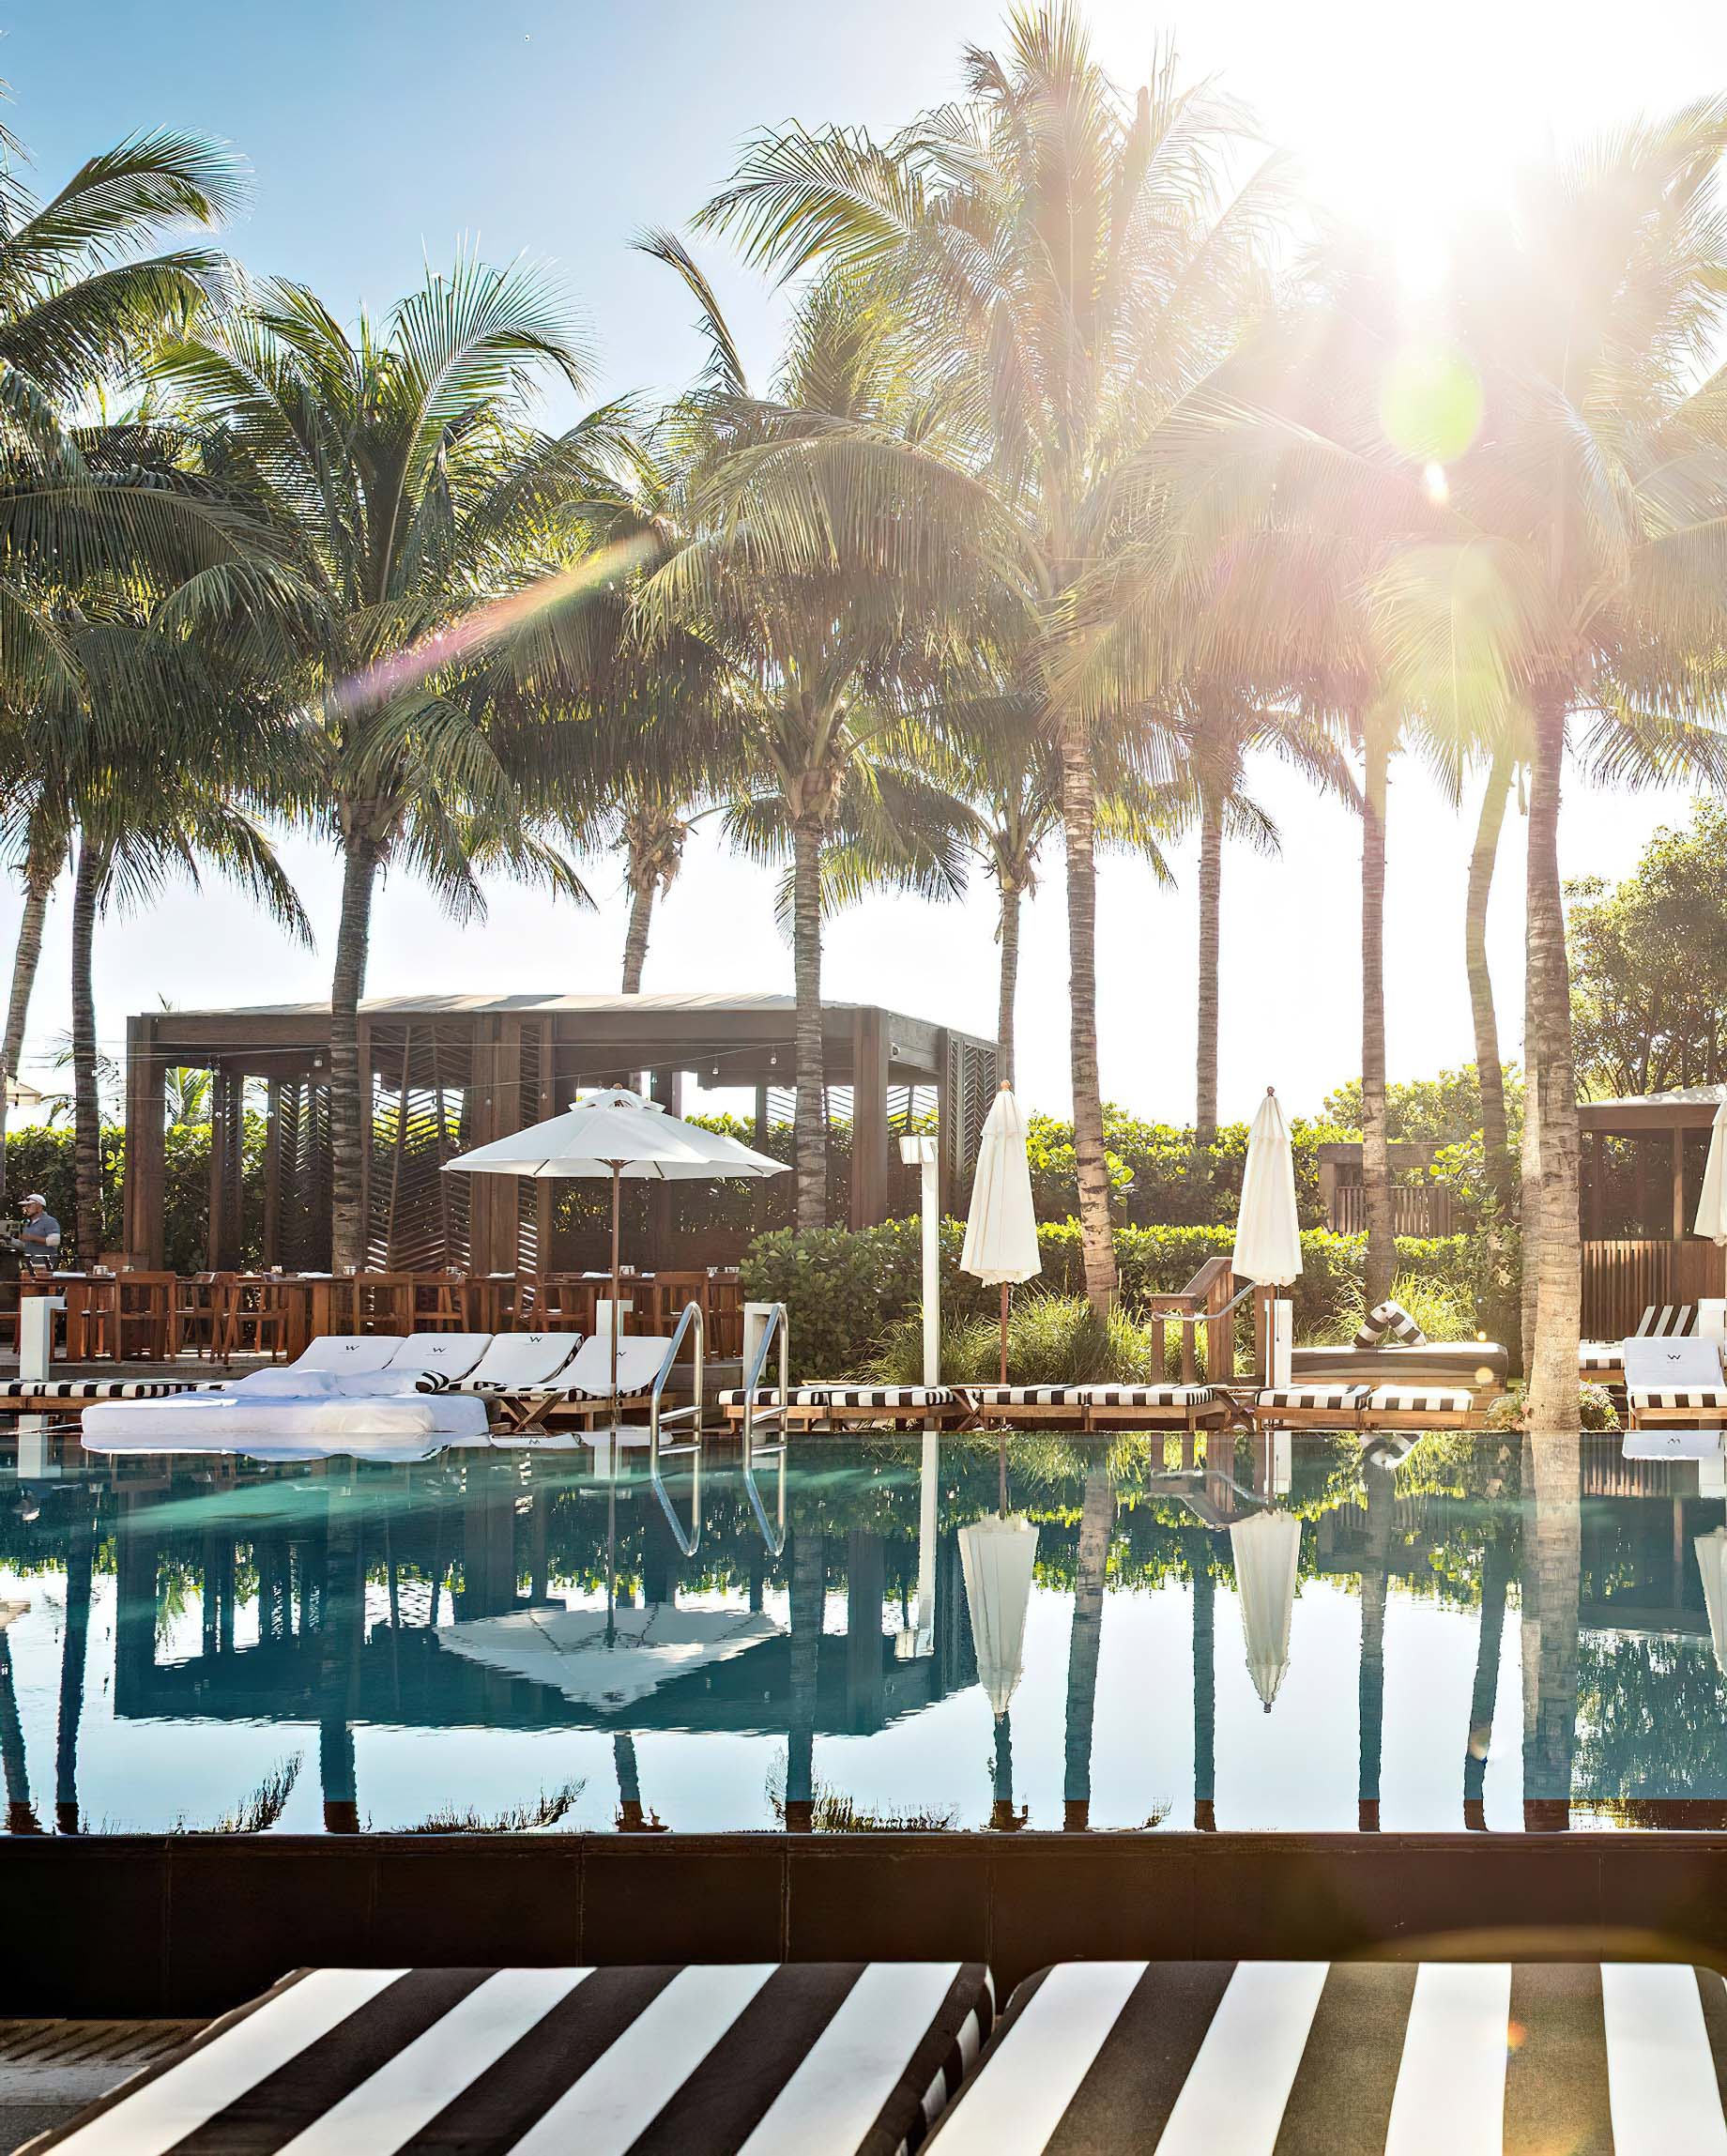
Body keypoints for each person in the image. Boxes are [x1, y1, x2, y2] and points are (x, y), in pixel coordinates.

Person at [18, 1194, 61, 1275]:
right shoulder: (27, 1224)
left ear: (39, 1206)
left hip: (45, 1265)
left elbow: (55, 1241)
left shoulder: (50, 1221)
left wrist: (31, 1238)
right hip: (29, 1264)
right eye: (25, 1206)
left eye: (29, 1205)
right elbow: (24, 1244)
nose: (26, 1208)